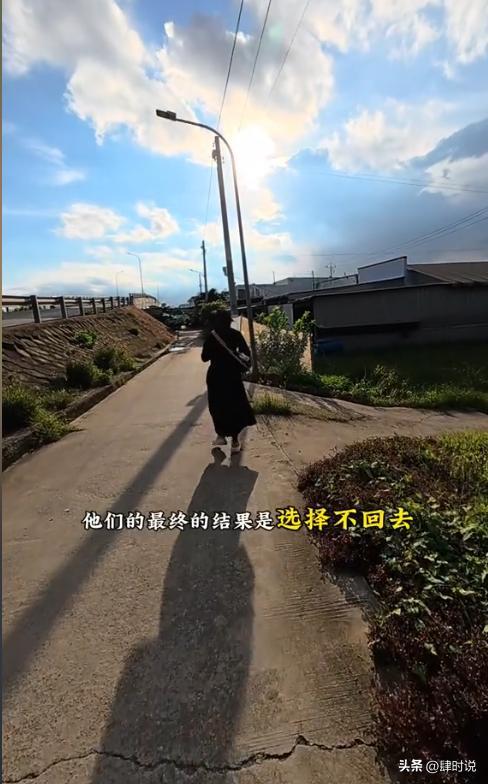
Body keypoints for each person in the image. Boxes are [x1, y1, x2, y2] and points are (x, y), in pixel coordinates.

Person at [201, 310, 256, 453]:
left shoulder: (212, 336)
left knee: (217, 406)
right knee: (235, 406)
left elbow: (204, 357)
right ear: (229, 321)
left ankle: (220, 435)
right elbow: (246, 354)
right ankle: (235, 441)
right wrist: (234, 354)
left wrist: (215, 352)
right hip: (233, 376)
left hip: (216, 376)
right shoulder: (236, 335)